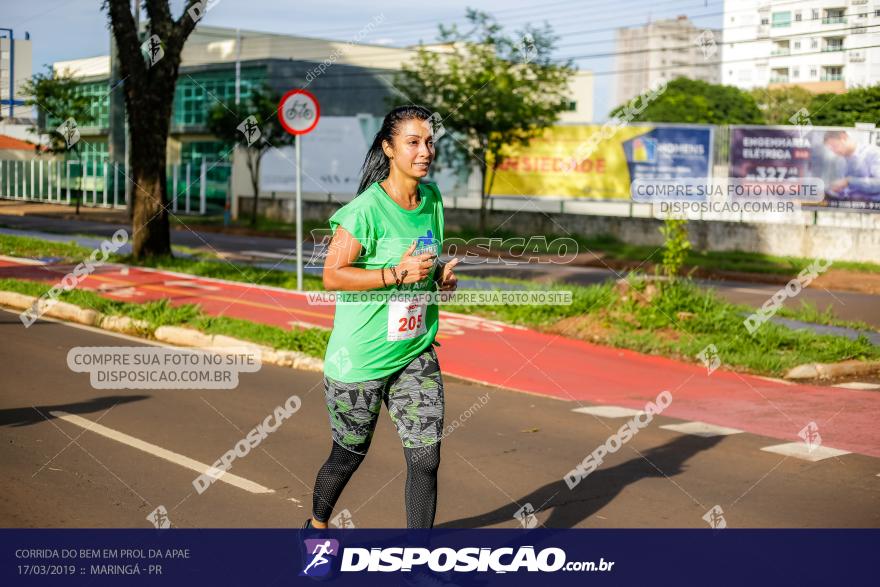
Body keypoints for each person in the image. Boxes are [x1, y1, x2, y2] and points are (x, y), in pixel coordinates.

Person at [303, 105, 459, 530]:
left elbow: (424, 255)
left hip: (414, 349)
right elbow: (331, 276)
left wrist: (438, 275)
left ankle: (418, 562)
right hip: (361, 359)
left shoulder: (432, 199)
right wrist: (395, 274)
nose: (424, 151)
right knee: (348, 456)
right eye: (413, 142)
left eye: (429, 142)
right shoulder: (364, 211)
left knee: (426, 459)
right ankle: (316, 527)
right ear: (389, 149)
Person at [823, 130, 880, 201]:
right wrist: (834, 190)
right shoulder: (840, 161)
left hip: (873, 207)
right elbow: (845, 190)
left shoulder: (874, 153)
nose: (834, 151)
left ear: (844, 137)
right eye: (831, 149)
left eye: (835, 146)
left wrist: (849, 181)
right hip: (848, 207)